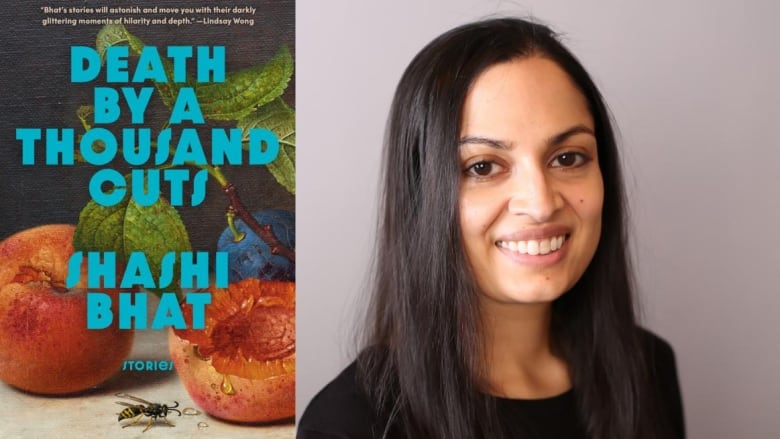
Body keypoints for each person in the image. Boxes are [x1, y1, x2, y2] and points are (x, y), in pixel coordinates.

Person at [298, 17, 685, 439]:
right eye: (482, 167)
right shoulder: (349, 425)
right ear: (421, 195)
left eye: (568, 158)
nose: (540, 204)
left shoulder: (647, 369)